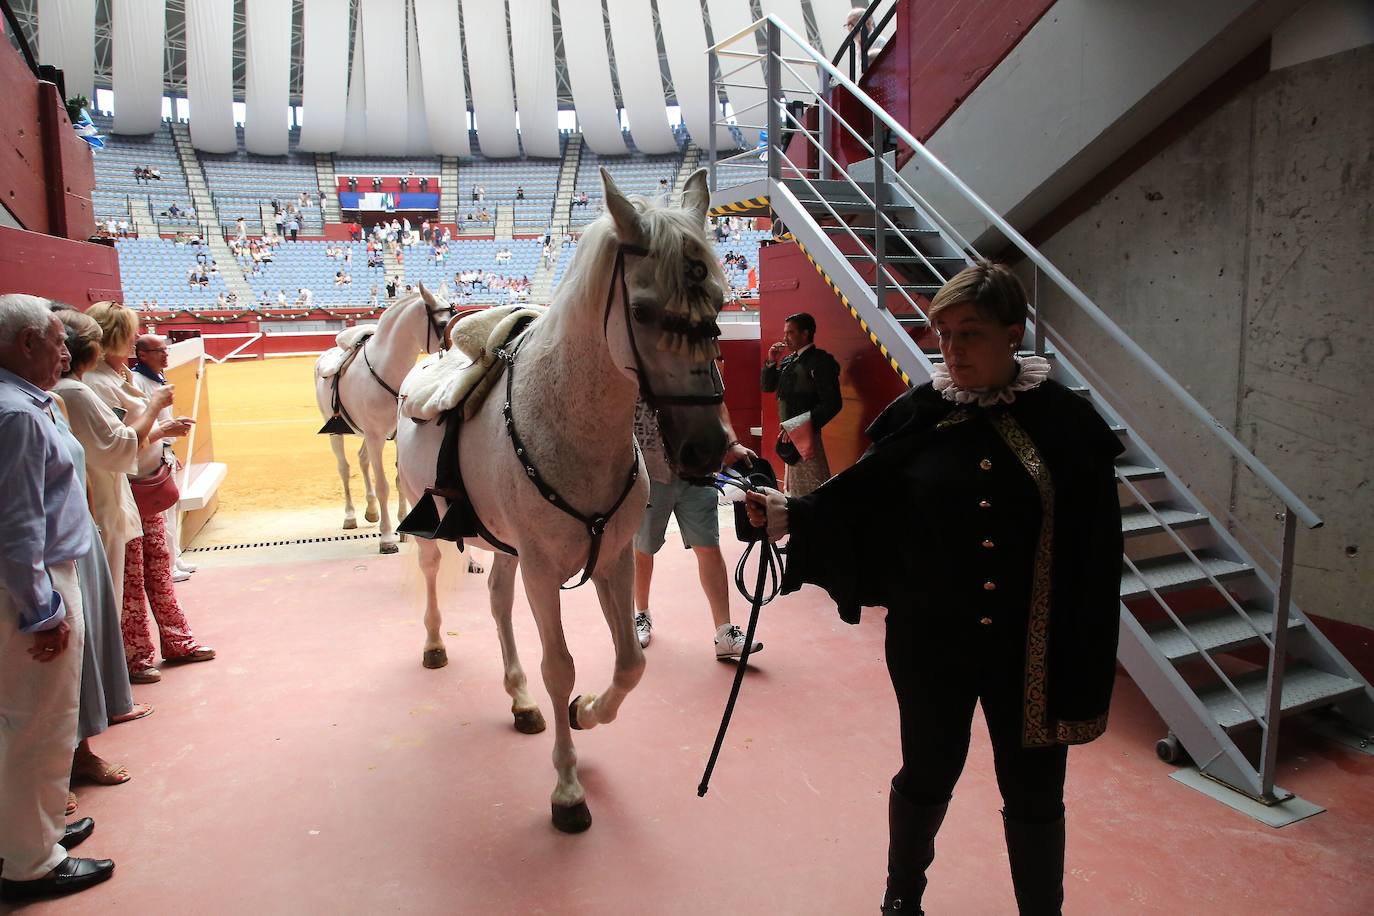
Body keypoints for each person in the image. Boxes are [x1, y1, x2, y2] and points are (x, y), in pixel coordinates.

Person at [746, 262, 1124, 915]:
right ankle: (902, 896)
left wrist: (1086, 660)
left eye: (969, 334)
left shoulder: (1070, 428)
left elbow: (1096, 557)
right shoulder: (919, 416)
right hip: (929, 645)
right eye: (942, 333)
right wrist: (788, 514)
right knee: (926, 771)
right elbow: (859, 499)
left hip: (1032, 653)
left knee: (1034, 789)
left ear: (1014, 333)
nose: (951, 349)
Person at [0, 294, 116, 902]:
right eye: (56, 340)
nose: (67, 351)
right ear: (25, 344)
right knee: (38, 724)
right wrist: (41, 607)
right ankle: (31, 861)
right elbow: (17, 524)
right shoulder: (16, 413)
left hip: (36, 575)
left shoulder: (22, 403)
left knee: (28, 721)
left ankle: (34, 830)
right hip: (35, 581)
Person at [84, 303, 213, 684]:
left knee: (157, 569)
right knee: (134, 576)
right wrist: (160, 422)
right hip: (125, 490)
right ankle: (137, 655)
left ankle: (176, 642)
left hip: (143, 485)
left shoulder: (115, 375)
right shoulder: (98, 383)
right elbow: (121, 444)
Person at [51, 310, 151, 792]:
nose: (64, 355)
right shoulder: (66, 394)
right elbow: (116, 447)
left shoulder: (54, 396)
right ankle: (59, 769)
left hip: (82, 526)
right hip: (69, 538)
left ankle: (76, 754)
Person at [632, 397, 762, 658]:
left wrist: (732, 442)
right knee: (643, 547)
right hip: (650, 470)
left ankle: (724, 634)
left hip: (697, 468)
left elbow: (718, 402)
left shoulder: (699, 358)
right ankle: (641, 615)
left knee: (709, 547)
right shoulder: (637, 359)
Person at [131, 335, 196, 583]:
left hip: (163, 450)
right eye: (158, 350)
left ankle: (175, 557)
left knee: (172, 506)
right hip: (154, 452)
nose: (165, 354)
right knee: (165, 511)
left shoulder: (154, 378)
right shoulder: (139, 381)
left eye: (165, 349)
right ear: (142, 354)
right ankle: (168, 565)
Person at [761, 312, 841, 496]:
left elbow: (833, 404)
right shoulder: (789, 360)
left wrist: (798, 426)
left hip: (807, 435)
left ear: (805, 334)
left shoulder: (820, 362)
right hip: (790, 434)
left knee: (814, 488)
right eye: (785, 333)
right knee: (796, 490)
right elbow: (768, 387)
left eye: (790, 333)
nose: (784, 338)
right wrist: (771, 361)